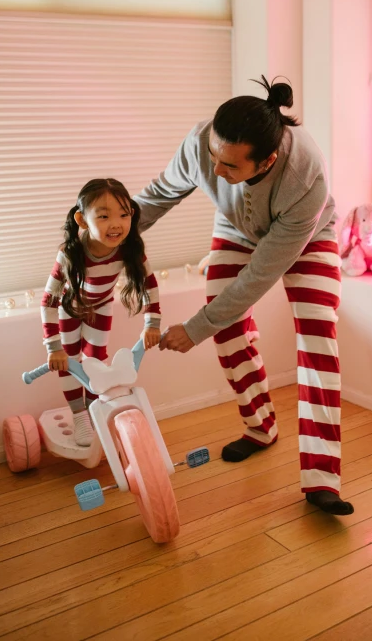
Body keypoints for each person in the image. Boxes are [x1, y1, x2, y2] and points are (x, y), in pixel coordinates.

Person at [134, 76, 354, 516]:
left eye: (231, 167)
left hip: (307, 237)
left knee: (317, 339)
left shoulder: (305, 176)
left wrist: (196, 326)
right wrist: (109, 234)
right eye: (214, 157)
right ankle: (260, 428)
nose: (216, 171)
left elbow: (259, 276)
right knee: (228, 331)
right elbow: (159, 195)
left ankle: (321, 478)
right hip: (236, 228)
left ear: (267, 160)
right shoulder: (202, 143)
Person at [41, 178, 161, 446]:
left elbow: (149, 285)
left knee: (96, 361)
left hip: (101, 308)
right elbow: (48, 300)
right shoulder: (70, 253)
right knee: (69, 362)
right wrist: (53, 347)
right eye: (104, 216)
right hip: (70, 310)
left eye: (123, 214)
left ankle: (95, 409)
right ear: (82, 220)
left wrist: (152, 324)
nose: (116, 224)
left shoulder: (129, 250)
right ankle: (80, 414)